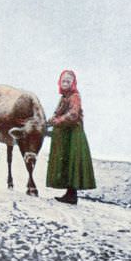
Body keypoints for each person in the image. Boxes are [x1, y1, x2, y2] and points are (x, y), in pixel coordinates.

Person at [45, 69, 96, 204]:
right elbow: (59, 113)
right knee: (67, 164)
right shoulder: (64, 98)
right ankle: (70, 194)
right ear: (60, 83)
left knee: (72, 163)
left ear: (73, 83)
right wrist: (50, 120)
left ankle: (72, 195)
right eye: (63, 81)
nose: (65, 83)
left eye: (68, 81)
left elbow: (73, 114)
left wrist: (57, 121)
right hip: (66, 136)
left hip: (73, 136)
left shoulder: (74, 96)